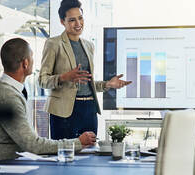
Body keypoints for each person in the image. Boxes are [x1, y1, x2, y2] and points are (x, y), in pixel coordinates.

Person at [0, 38, 97, 161]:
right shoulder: (6, 97)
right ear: (25, 63)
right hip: (11, 164)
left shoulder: (6, 90)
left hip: (22, 160)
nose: (33, 61)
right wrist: (78, 142)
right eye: (32, 57)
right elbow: (33, 145)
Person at [38, 0, 131, 140]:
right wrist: (64, 77)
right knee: (66, 155)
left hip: (89, 109)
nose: (78, 24)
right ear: (62, 21)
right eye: (72, 20)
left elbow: (88, 82)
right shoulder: (53, 44)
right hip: (64, 112)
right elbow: (42, 80)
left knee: (89, 153)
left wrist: (108, 84)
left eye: (80, 18)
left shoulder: (89, 46)